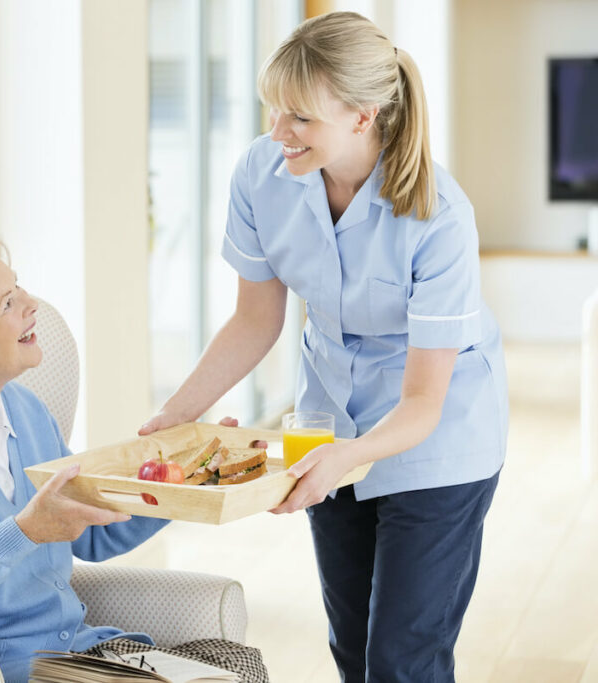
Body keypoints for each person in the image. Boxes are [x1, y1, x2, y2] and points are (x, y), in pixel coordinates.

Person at [139, 11, 507, 683]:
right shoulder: (263, 173)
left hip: (439, 438)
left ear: (363, 116)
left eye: (300, 118)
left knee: (402, 659)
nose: (277, 132)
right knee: (352, 649)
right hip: (328, 420)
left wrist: (348, 457)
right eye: (273, 110)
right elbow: (256, 319)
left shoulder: (439, 217)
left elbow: (425, 402)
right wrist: (175, 413)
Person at [0, 225, 269, 683]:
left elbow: (90, 532)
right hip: (3, 668)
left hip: (78, 650)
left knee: (240, 668)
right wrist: (24, 532)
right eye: (7, 303)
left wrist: (188, 480)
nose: (32, 305)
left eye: (19, 288)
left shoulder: (25, 411)